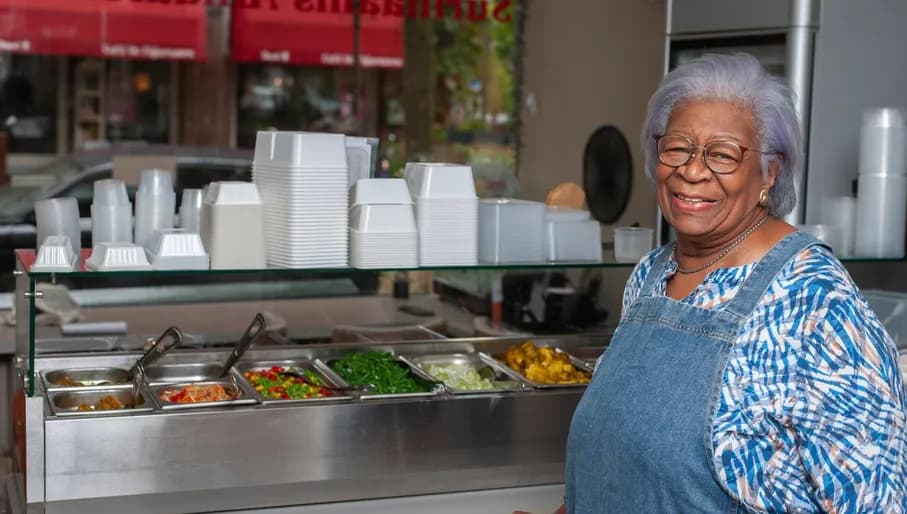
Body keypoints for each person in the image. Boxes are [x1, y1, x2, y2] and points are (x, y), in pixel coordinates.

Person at [525, 53, 907, 514]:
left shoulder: (816, 302)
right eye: (678, 147)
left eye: (722, 154)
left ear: (769, 173)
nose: (692, 170)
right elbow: (623, 453)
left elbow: (877, 505)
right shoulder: (651, 276)